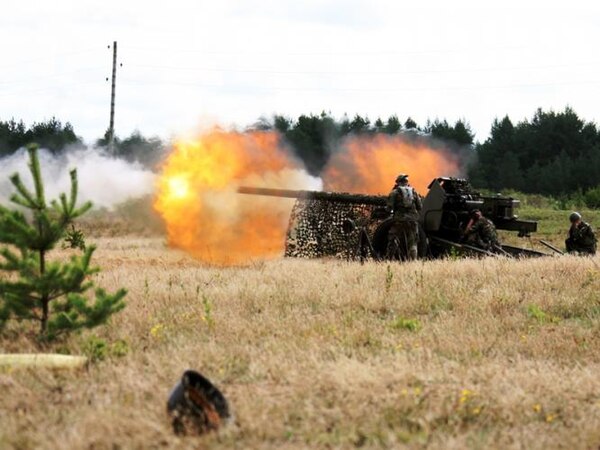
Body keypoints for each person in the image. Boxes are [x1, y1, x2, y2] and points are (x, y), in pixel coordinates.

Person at [386, 174, 422, 260]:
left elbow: (389, 208)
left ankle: (389, 260)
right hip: (412, 220)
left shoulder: (394, 192)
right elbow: (420, 207)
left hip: (400, 220)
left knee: (393, 239)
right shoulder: (414, 192)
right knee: (413, 243)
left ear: (398, 182)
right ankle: (412, 262)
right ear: (406, 182)